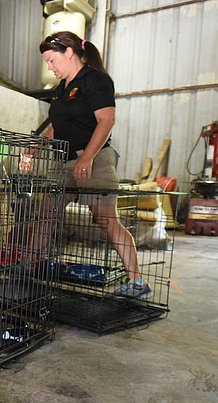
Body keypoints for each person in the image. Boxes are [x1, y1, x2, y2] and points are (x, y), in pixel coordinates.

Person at [36, 31, 151, 299]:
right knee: (45, 211)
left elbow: (106, 121)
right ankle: (33, 266)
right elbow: (59, 124)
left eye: (52, 60)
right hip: (63, 160)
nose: (50, 67)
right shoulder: (62, 88)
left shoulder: (96, 80)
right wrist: (37, 144)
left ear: (69, 52)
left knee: (105, 219)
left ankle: (137, 283)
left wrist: (87, 157)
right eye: (47, 63)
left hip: (95, 159)